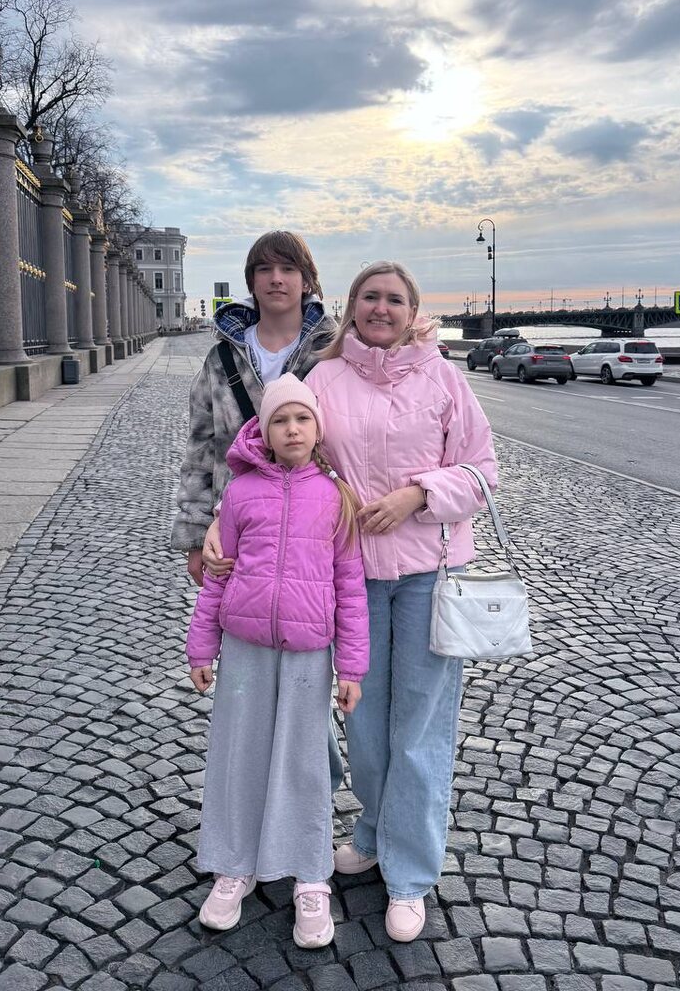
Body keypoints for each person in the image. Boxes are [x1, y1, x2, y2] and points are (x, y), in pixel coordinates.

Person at [203, 260, 497, 942]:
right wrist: (222, 520)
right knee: (360, 726)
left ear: (412, 311)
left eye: (394, 299)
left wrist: (418, 495)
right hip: (353, 575)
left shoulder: (443, 378)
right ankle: (371, 830)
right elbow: (279, 452)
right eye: (370, 297)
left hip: (429, 572)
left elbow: (483, 472)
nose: (381, 308)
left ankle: (410, 873)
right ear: (352, 307)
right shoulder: (326, 378)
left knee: (419, 728)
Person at [186, 375, 369, 948]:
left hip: (310, 652)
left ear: (318, 428)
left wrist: (351, 668)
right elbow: (218, 576)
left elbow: (350, 587)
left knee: (303, 761)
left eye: (302, 419)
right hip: (245, 648)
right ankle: (233, 863)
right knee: (239, 754)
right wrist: (201, 646)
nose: (292, 429)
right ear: (264, 431)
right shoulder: (240, 493)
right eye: (280, 420)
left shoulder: (336, 498)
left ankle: (310, 873)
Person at [171, 231, 336, 582]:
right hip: (235, 525)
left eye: (288, 268)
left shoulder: (333, 353)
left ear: (307, 280)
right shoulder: (221, 359)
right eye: (265, 269)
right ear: (252, 281)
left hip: (314, 526)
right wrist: (195, 537)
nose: (276, 278)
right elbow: (200, 450)